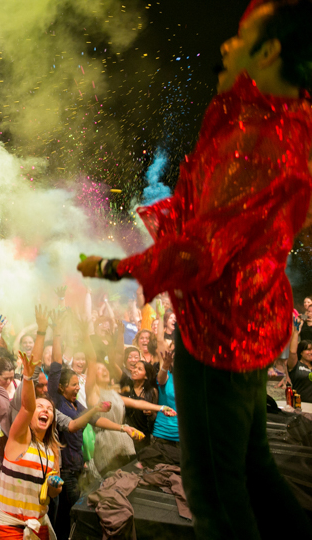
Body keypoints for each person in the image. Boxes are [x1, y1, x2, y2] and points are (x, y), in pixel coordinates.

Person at [79, 1, 312, 535]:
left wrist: (115, 268)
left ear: (270, 50)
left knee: (213, 492)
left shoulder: (254, 142)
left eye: (242, 36)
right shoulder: (284, 119)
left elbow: (202, 253)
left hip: (219, 341)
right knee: (255, 470)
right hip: (249, 330)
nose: (227, 45)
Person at [46, 310, 137, 540]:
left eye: (78, 384)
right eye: (74, 384)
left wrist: (123, 428)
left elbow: (97, 420)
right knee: (64, 518)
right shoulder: (57, 405)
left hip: (79, 469)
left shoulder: (77, 405)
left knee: (75, 515)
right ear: (61, 387)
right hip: (62, 472)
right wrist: (56, 333)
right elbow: (75, 425)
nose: (78, 387)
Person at [0, 351, 63, 540]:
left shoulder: (51, 449)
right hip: (8, 527)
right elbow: (27, 407)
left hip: (38, 526)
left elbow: (52, 493)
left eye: (49, 409)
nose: (45, 410)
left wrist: (55, 485)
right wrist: (27, 377)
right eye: (40, 407)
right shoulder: (20, 438)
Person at [120, 361, 160, 452]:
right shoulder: (126, 388)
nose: (135, 370)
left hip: (143, 434)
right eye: (134, 367)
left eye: (139, 369)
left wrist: (151, 413)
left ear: (146, 376)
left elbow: (155, 416)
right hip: (127, 432)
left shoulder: (152, 391)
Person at [287, 315, 312, 402]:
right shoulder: (296, 365)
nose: (311, 352)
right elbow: (292, 352)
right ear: (301, 352)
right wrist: (296, 332)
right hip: (299, 405)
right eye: (308, 350)